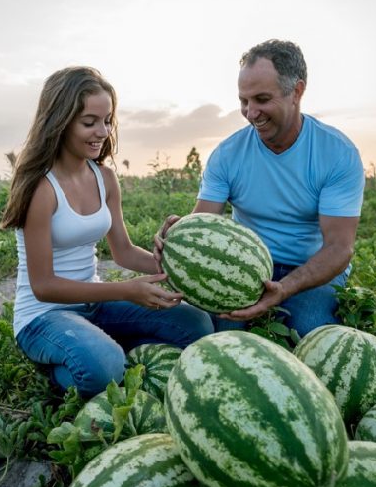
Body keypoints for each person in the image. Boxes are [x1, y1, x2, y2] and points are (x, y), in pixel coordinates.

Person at [0, 66, 213, 398]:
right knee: (105, 367)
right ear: (60, 121)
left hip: (92, 306)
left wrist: (176, 263)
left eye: (108, 120)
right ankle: (79, 363)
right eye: (89, 122)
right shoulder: (41, 188)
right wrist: (126, 290)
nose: (102, 131)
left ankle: (98, 347)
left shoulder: (104, 179)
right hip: (42, 318)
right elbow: (43, 286)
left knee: (196, 324)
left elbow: (123, 251)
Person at [156, 39, 365, 337]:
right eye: (244, 101)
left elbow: (339, 247)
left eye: (262, 99)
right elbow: (202, 223)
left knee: (308, 333)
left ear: (297, 91)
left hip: (311, 268)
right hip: (244, 267)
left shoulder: (337, 153)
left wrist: (285, 288)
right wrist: (176, 236)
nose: (251, 112)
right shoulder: (228, 154)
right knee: (218, 335)